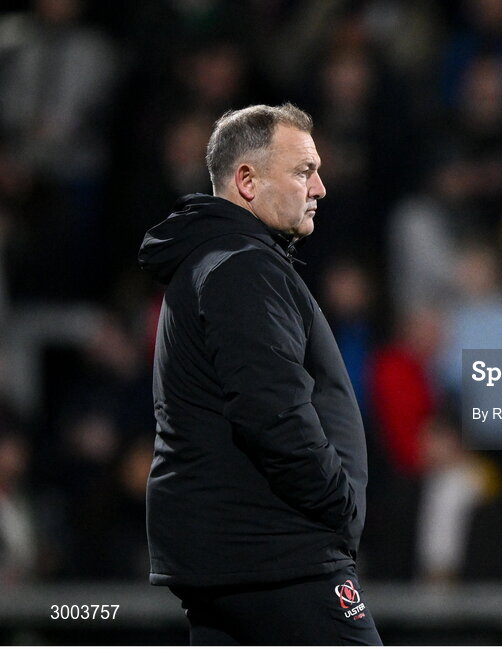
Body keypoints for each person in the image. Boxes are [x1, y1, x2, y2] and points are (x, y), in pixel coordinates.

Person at [138, 104, 381, 645]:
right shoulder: (242, 266)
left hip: (236, 551)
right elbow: (272, 412)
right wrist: (339, 504)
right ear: (246, 180)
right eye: (302, 171)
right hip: (277, 553)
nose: (319, 187)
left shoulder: (214, 259)